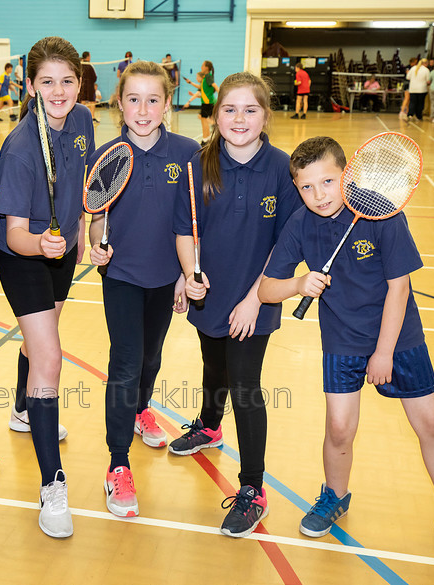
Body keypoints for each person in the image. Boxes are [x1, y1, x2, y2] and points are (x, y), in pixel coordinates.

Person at [258, 135, 434, 567]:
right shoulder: (300, 223)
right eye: (307, 187)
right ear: (297, 188)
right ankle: (333, 496)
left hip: (399, 338)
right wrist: (299, 285)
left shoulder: (381, 212)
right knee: (339, 428)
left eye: (328, 181)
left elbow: (399, 287)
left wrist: (384, 353)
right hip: (342, 340)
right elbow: (266, 289)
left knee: (431, 423)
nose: (319, 195)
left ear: (347, 175)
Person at [171, 71, 302, 538]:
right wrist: (189, 276)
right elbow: (186, 231)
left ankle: (253, 488)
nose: (239, 118)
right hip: (211, 292)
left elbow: (285, 245)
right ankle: (209, 426)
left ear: (266, 116)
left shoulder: (282, 169)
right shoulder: (197, 165)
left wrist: (253, 300)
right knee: (214, 364)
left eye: (250, 110)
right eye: (230, 109)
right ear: (215, 114)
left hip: (258, 297)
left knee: (245, 386)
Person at [0, 36, 94, 539]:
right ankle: (52, 486)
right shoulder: (19, 148)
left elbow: (89, 188)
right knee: (50, 357)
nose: (58, 91)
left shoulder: (81, 121)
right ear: (31, 86)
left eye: (67, 81)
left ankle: (20, 408)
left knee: (42, 341)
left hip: (64, 247)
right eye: (47, 82)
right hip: (23, 255)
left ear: (79, 83)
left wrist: (91, 235)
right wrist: (40, 245)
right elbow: (13, 233)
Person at [88, 61, 197, 518]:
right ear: (120, 104)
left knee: (152, 357)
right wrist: (96, 247)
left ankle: (140, 411)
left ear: (168, 104)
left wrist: (183, 275)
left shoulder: (188, 153)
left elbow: (192, 221)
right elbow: (96, 220)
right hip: (123, 277)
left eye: (154, 99)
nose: (144, 108)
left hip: (165, 277)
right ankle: (117, 463)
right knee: (126, 361)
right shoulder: (109, 155)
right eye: (134, 99)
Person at [183, 60, 217, 145]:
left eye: (202, 65)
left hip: (207, 103)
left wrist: (222, 97)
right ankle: (206, 138)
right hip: (205, 103)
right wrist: (190, 83)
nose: (201, 67)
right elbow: (200, 88)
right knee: (203, 119)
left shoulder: (208, 77)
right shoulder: (205, 78)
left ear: (206, 67)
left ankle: (205, 139)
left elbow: (215, 86)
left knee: (204, 120)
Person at [78, 51, 98, 122]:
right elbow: (94, 77)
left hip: (82, 87)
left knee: (82, 101)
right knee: (92, 102)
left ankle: (80, 117)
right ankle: (92, 117)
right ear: (88, 57)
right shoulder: (90, 66)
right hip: (89, 87)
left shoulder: (80, 66)